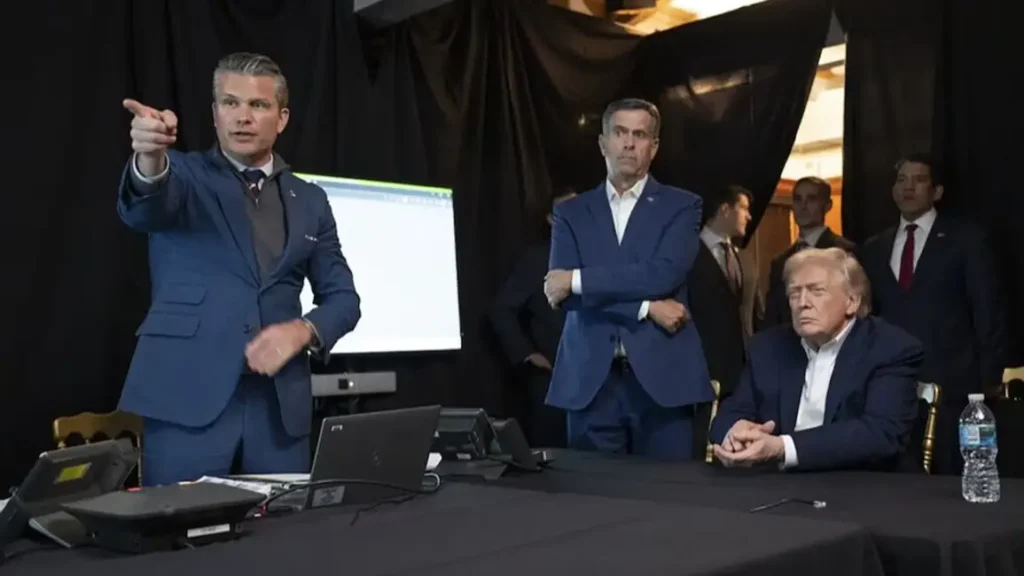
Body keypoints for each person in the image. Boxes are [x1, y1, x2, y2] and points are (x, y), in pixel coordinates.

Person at [117, 52, 361, 486]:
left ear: (282, 119)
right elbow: (145, 207)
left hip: (278, 413)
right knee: (181, 527)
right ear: (215, 114)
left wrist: (302, 330)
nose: (242, 117)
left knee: (285, 528)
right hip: (186, 401)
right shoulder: (182, 174)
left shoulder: (311, 200)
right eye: (230, 103)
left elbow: (343, 299)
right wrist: (150, 156)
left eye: (258, 105)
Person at [544, 98, 710, 460]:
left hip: (664, 378)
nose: (629, 143)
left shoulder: (683, 205)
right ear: (603, 142)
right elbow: (564, 296)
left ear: (654, 146)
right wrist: (646, 307)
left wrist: (577, 279)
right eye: (620, 133)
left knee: (670, 492)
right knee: (593, 493)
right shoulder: (570, 213)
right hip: (590, 382)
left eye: (640, 134)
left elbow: (663, 274)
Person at [710, 248, 924, 471]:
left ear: (852, 301)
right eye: (794, 293)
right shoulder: (768, 347)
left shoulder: (890, 348)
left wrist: (783, 448)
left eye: (817, 291)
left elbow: (880, 434)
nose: (803, 303)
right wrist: (736, 433)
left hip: (863, 482)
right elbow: (730, 413)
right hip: (776, 483)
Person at [859, 154, 1005, 475]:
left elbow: (987, 309)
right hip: (891, 384)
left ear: (937, 191)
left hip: (954, 383)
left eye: (919, 180)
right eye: (901, 180)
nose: (908, 187)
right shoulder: (874, 247)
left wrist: (989, 377)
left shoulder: (966, 238)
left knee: (951, 477)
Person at [490, 188, 577, 448]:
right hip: (553, 382)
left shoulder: (603, 258)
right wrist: (526, 353)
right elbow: (501, 309)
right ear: (551, 220)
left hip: (603, 382)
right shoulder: (538, 259)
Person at [762, 177, 855, 328]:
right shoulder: (780, 262)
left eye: (811, 199)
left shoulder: (845, 252)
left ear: (827, 205)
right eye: (798, 199)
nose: (803, 206)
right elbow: (773, 318)